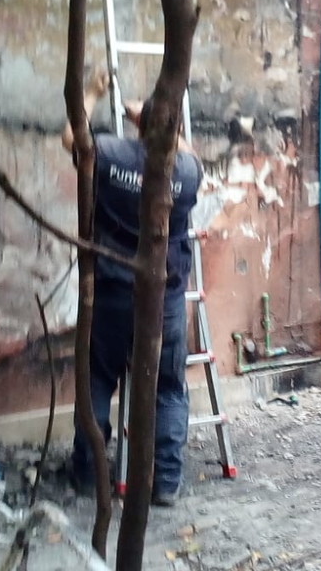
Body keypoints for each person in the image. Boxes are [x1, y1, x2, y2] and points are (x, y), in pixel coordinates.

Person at [61, 72, 203, 507]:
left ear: (140, 127)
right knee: (167, 389)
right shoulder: (187, 172)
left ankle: (88, 474)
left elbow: (71, 139)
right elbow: (188, 155)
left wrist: (92, 93)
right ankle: (166, 482)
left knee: (98, 380)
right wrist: (157, 123)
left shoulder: (112, 154)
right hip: (164, 299)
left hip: (112, 292)